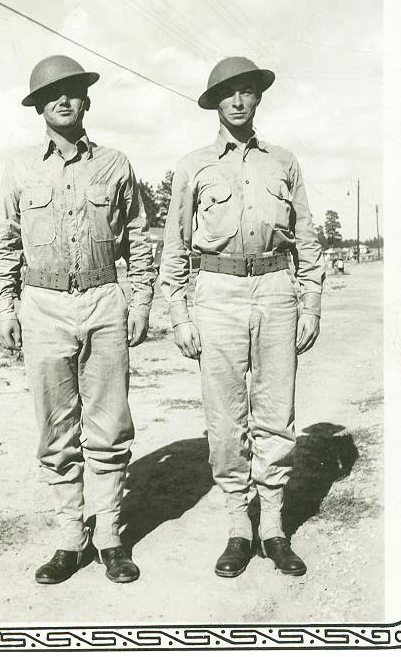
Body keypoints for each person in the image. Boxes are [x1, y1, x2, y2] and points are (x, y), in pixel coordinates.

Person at [0, 55, 155, 585]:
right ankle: (69, 537)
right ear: (38, 105)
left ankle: (108, 535)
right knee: (56, 429)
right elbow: (4, 246)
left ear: (87, 100)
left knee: (108, 425)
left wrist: (142, 302)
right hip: (42, 306)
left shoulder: (116, 163)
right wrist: (4, 308)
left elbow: (140, 240)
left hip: (105, 300)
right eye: (52, 93)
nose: (64, 100)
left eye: (74, 91)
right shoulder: (19, 169)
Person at [160, 57, 325, 578]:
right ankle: (238, 526)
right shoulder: (193, 165)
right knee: (226, 418)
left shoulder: (285, 162)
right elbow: (175, 246)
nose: (238, 101)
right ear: (216, 102)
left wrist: (310, 304)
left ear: (258, 99)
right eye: (228, 93)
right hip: (217, 292)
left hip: (277, 291)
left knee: (276, 415)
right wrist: (180, 314)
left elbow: (308, 240)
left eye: (247, 92)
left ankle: (273, 529)